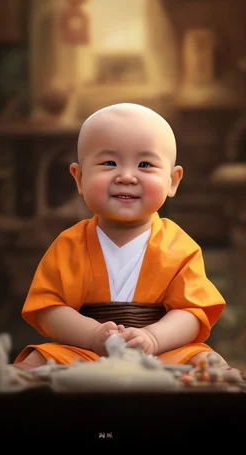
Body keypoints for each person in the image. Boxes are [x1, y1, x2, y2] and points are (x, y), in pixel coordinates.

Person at [13, 102, 228, 370]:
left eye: (145, 164)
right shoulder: (69, 244)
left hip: (161, 351)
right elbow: (48, 309)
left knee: (206, 362)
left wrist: (153, 337)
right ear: (79, 178)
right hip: (85, 349)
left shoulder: (179, 246)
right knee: (35, 362)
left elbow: (193, 313)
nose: (126, 176)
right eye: (110, 163)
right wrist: (92, 336)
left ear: (173, 181)